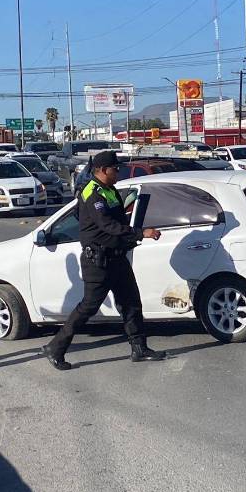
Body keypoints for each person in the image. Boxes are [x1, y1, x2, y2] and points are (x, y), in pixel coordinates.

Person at [42, 150, 166, 370]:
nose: (118, 172)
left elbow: (116, 220)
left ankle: (139, 348)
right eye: (115, 169)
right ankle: (56, 347)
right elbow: (106, 225)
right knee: (88, 307)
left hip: (116, 256)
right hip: (97, 260)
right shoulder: (92, 192)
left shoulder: (109, 190)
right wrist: (140, 233)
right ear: (102, 170)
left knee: (131, 303)